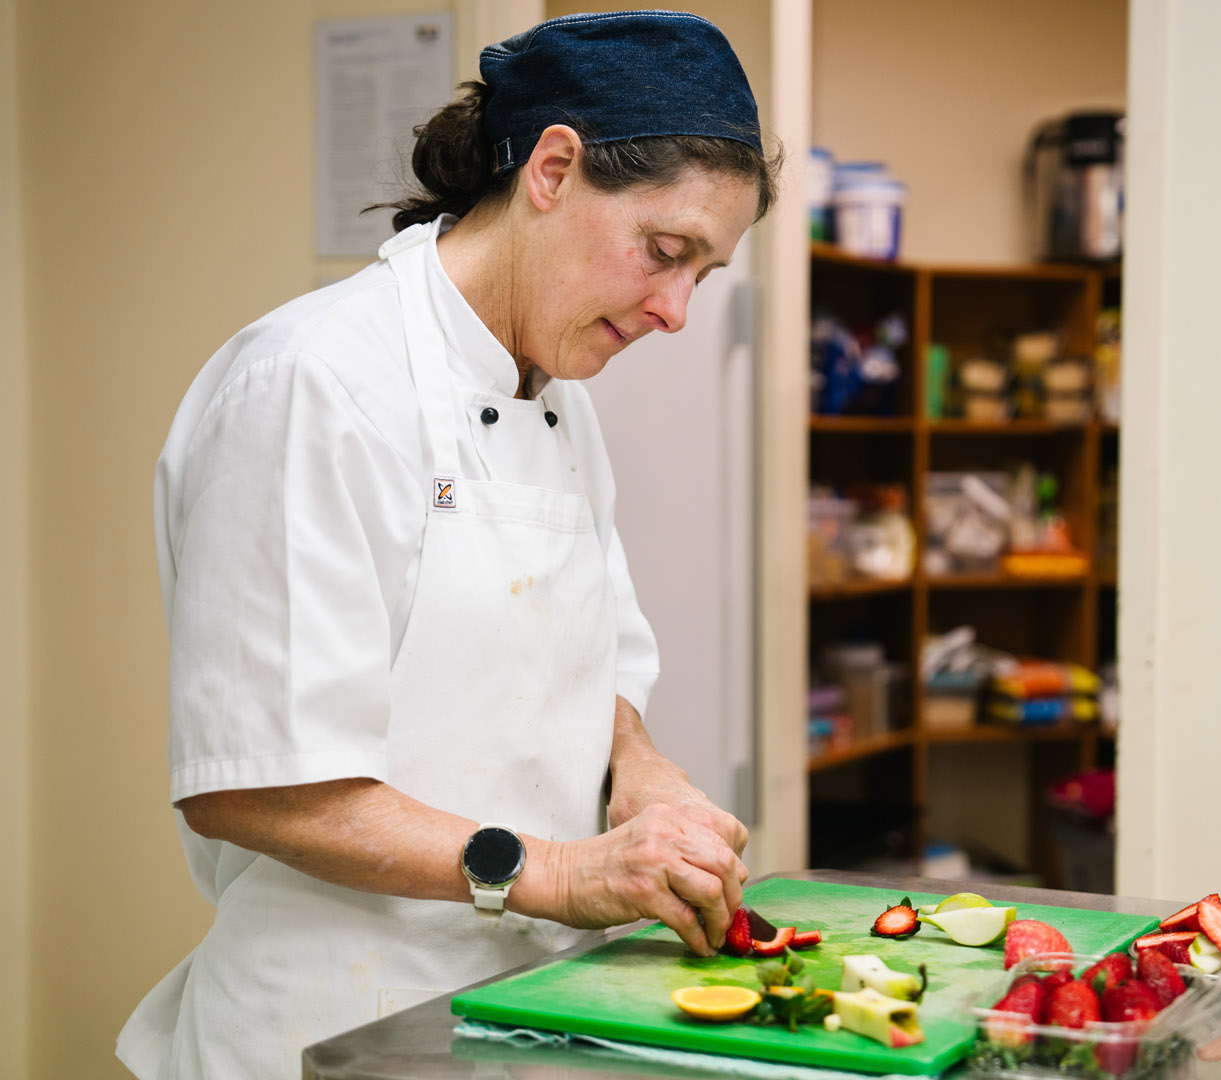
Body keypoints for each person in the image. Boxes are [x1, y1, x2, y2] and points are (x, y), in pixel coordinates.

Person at [116, 11, 779, 1079]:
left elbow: (585, 668)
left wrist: (643, 773)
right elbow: (251, 782)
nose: (675, 312)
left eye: (701, 275)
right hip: (331, 1021)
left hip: (521, 1005)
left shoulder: (557, 396)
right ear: (552, 169)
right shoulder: (314, 381)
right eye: (665, 252)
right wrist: (561, 874)